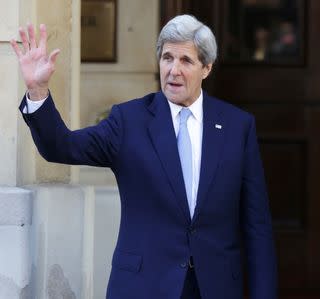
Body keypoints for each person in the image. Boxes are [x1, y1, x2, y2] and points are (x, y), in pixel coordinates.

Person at [10, 15, 277, 299]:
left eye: (185, 61)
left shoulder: (237, 126)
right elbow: (61, 147)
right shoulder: (129, 121)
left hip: (215, 287)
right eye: (167, 58)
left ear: (207, 68)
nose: (173, 70)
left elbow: (256, 225)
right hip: (143, 286)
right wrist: (37, 91)